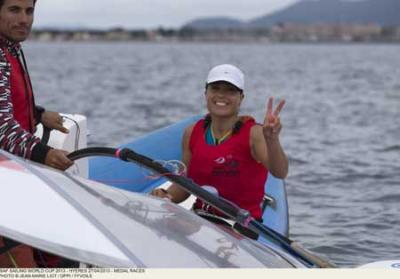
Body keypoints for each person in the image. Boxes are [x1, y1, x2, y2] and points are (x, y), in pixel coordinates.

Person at [151, 64, 288, 239]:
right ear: (206, 93)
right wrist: (167, 195)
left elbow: (280, 172)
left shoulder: (255, 133)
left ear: (241, 98)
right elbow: (184, 184)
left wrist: (272, 139)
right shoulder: (192, 132)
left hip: (241, 229)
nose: (221, 95)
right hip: (200, 220)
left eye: (230, 90)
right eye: (215, 88)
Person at [0, 0, 73, 267]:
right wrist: (45, 153)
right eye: (14, 10)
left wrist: (38, 114)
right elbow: (1, 128)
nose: (24, 19)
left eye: (29, 11)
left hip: (15, 179)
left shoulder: (10, 49)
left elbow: (5, 100)